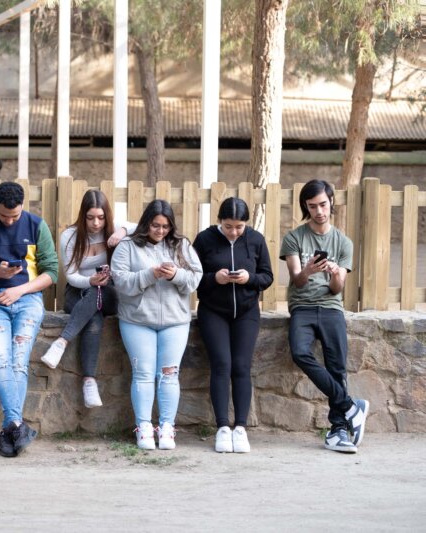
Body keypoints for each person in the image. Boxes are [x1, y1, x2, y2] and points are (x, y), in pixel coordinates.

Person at [0, 181, 58, 457]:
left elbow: (51, 272)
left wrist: (19, 289)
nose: (9, 221)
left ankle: (11, 426)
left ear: (23, 207)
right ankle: (17, 425)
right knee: (0, 357)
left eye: (15, 216)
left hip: (28, 298)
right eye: (4, 216)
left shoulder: (36, 225)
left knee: (19, 358)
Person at [280, 179, 368, 453]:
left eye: (323, 204)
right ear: (305, 207)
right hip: (302, 307)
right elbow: (297, 281)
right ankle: (351, 406)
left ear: (331, 202)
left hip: (331, 307)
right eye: (312, 206)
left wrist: (335, 273)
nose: (319, 211)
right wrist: (308, 269)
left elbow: (337, 289)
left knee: (337, 366)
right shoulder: (294, 237)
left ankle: (338, 429)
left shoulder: (343, 242)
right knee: (300, 352)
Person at [111, 199, 202, 451]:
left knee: (169, 374)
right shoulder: (127, 246)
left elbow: (195, 278)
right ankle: (143, 427)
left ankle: (167, 427)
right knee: (143, 373)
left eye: (165, 226)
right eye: (155, 225)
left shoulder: (182, 245)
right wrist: (150, 274)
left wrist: (176, 275)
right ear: (145, 223)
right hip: (137, 320)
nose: (160, 231)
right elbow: (121, 281)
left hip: (175, 321)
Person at [193, 198, 273, 453]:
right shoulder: (204, 239)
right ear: (220, 221)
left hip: (247, 312)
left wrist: (250, 279)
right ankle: (222, 428)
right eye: (228, 226)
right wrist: (214, 278)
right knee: (221, 364)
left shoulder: (256, 240)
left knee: (241, 366)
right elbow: (192, 278)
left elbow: (267, 276)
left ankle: (240, 428)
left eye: (239, 227)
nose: (234, 232)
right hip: (213, 311)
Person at [40, 189, 134, 408]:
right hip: (77, 291)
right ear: (83, 215)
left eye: (101, 217)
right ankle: (89, 382)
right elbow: (71, 276)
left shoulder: (114, 228)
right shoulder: (70, 236)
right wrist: (90, 280)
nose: (96, 223)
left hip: (109, 293)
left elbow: (143, 226)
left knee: (99, 292)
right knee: (94, 315)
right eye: (90, 217)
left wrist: (122, 231)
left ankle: (61, 342)